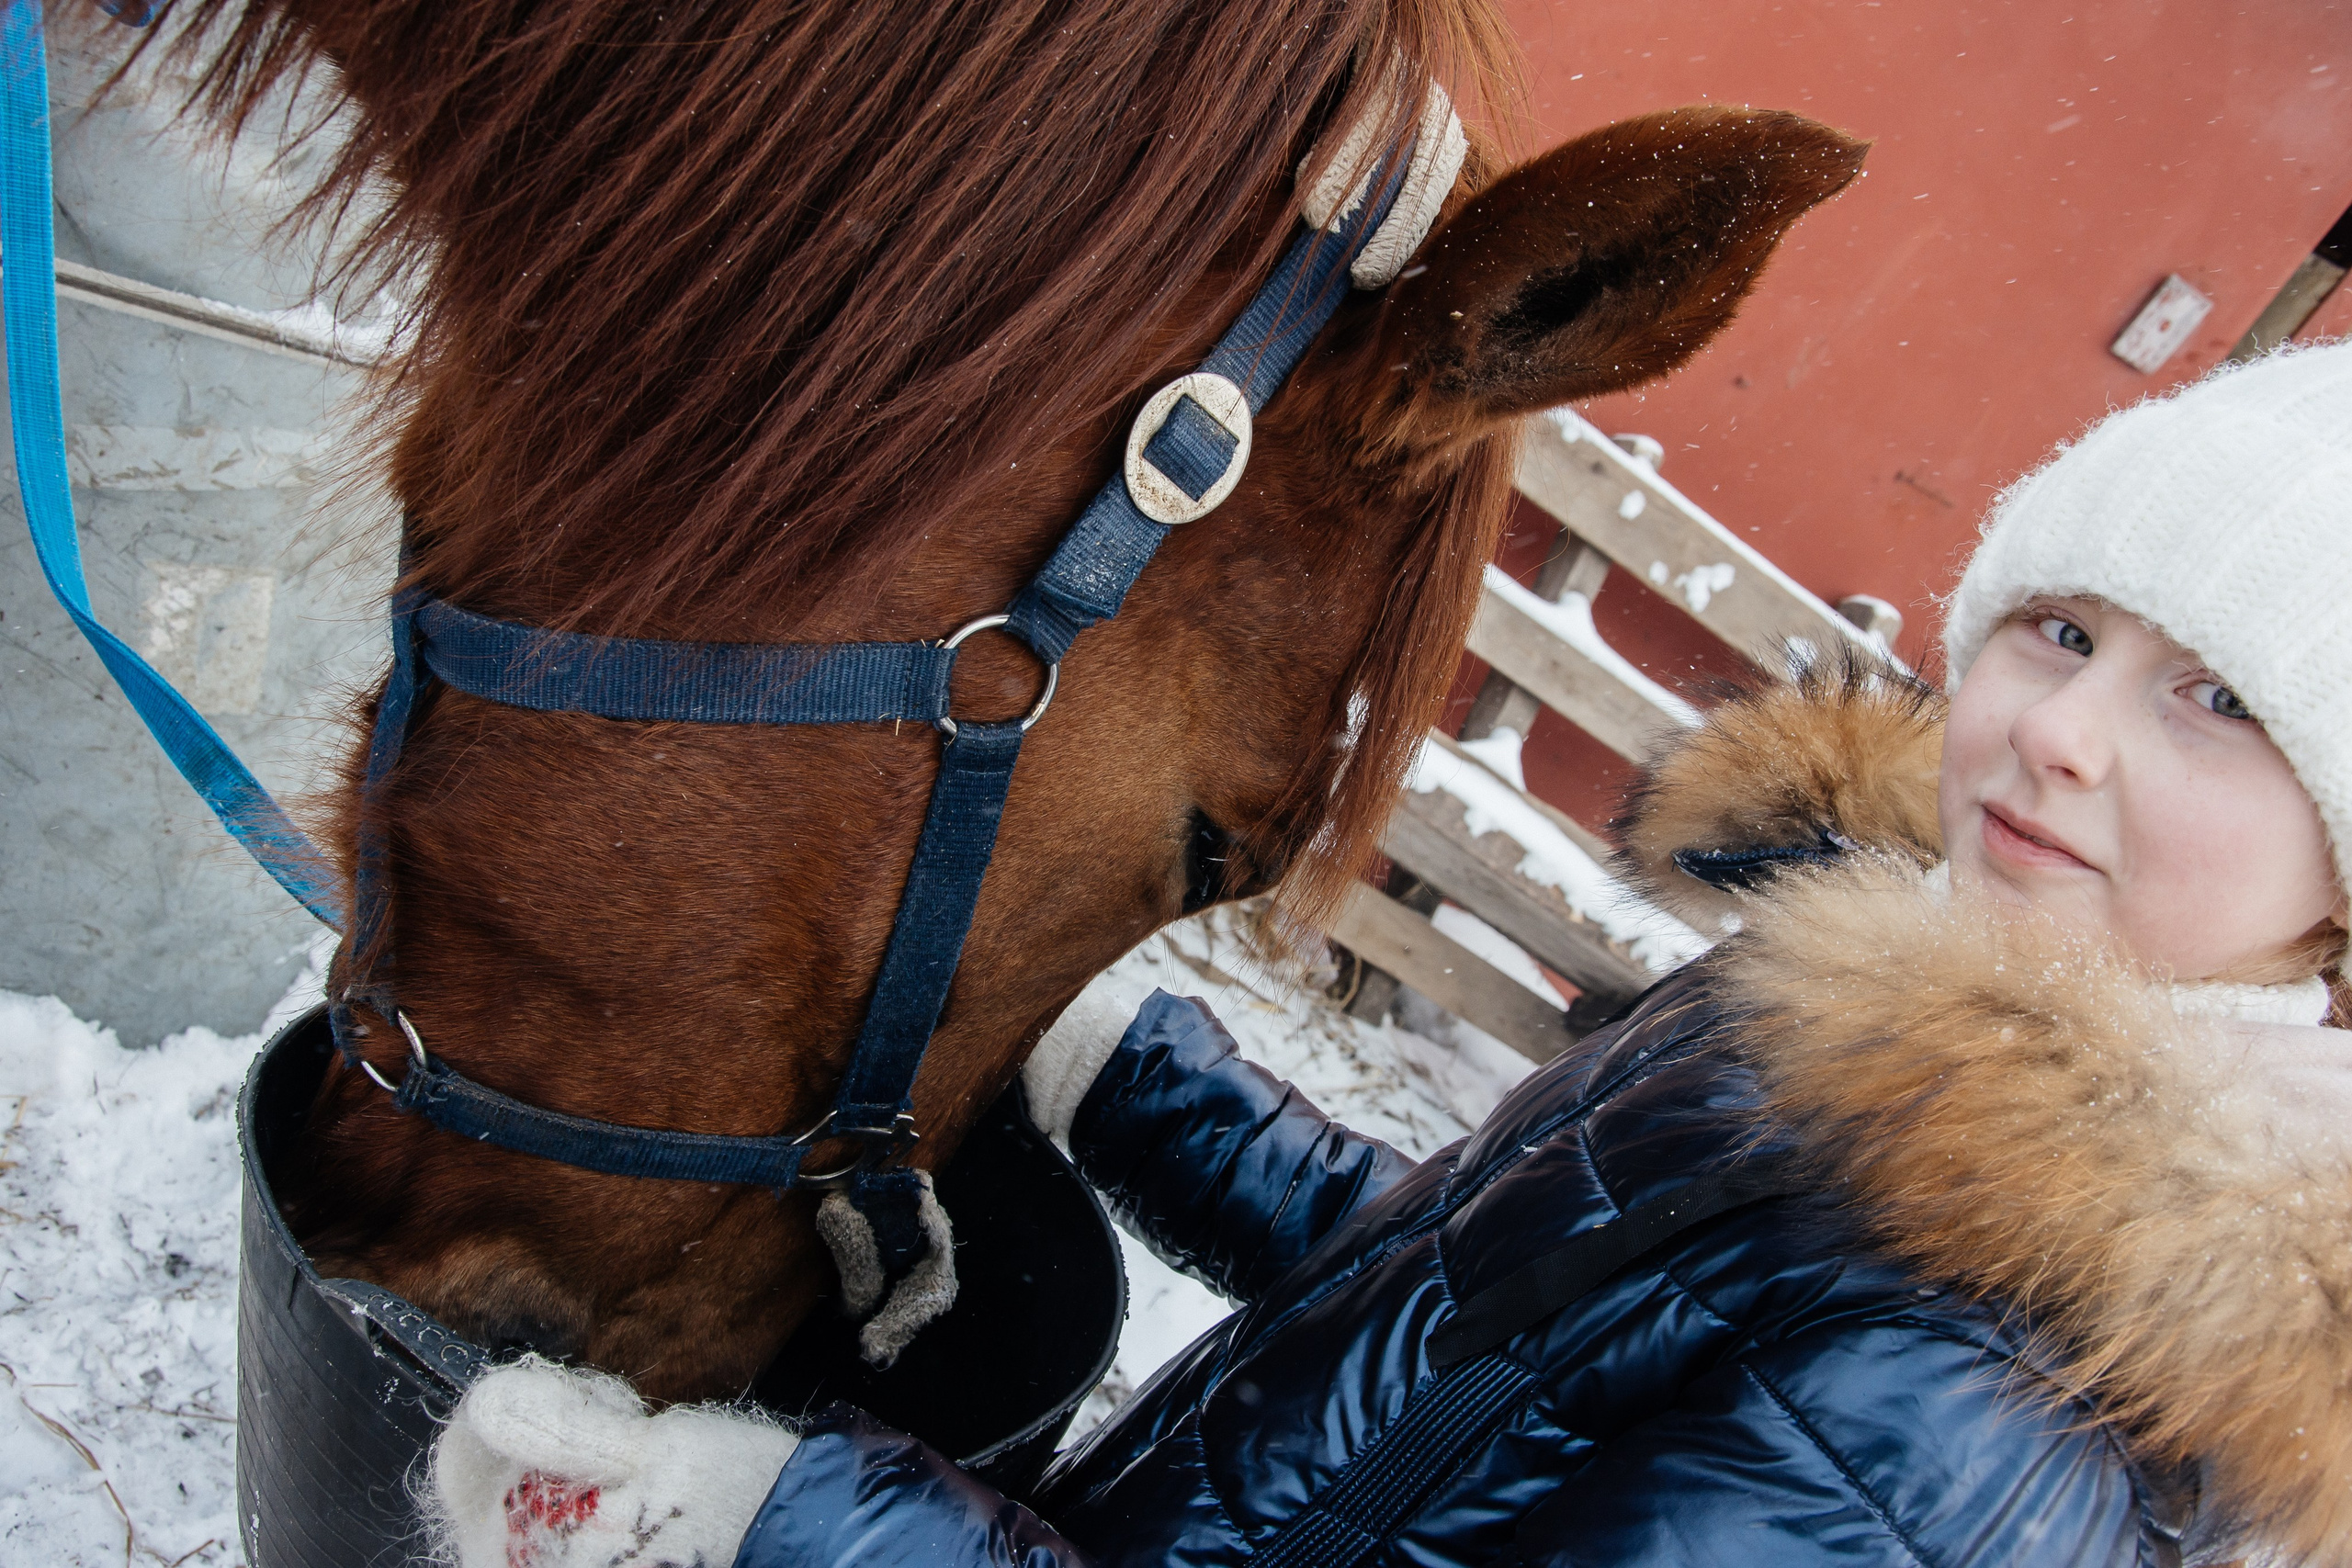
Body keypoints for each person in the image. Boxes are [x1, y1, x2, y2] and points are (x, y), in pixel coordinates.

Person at [425, 341, 2352, 1567]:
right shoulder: (1878, 985)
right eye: (2055, 630)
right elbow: (1483, 1294)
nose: (2061, 731)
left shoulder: (2011, 1406)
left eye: (2209, 698)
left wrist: (770, 1530)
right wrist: (1123, 1061)